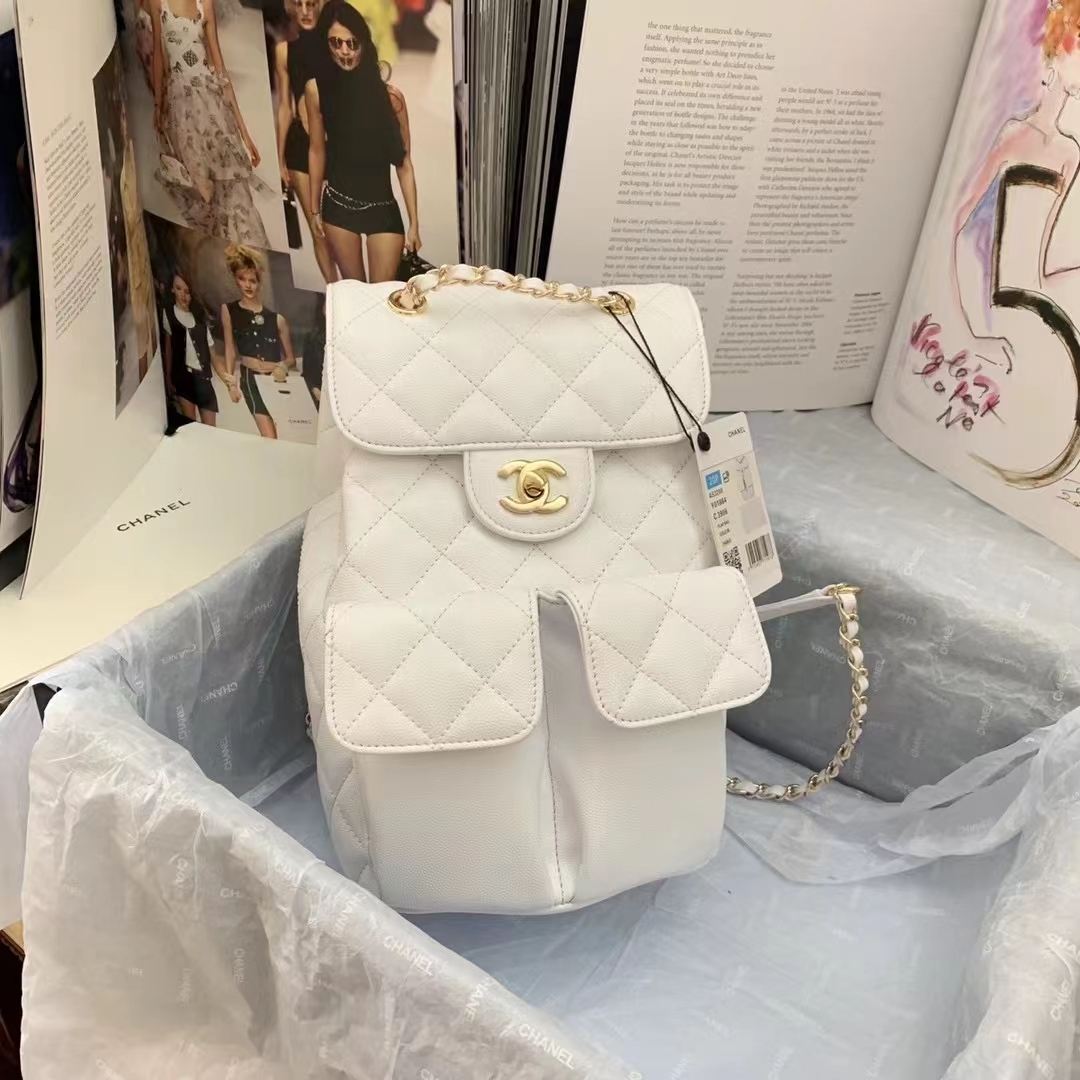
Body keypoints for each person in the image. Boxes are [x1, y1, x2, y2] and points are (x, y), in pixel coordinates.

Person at [948, 0, 1080, 485]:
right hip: (1008, 300)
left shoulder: (1070, 152)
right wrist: (968, 330)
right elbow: (958, 223)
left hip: (1041, 301)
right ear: (1059, 51)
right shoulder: (1015, 134)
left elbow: (1044, 257)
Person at [305, 0, 421, 282]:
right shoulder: (316, 90)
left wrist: (414, 223)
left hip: (382, 208)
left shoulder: (391, 98)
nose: (344, 51)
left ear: (364, 44)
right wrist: (313, 209)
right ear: (326, 44)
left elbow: (404, 164)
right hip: (338, 206)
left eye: (352, 43)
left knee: (382, 297)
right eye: (336, 43)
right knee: (355, 293)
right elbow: (317, 150)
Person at [148, 0, 270, 246]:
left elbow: (221, 72)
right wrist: (158, 105)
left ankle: (235, 250)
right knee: (199, 188)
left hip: (213, 107)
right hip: (181, 111)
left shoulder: (205, 5)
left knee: (229, 189)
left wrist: (244, 135)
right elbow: (158, 57)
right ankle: (214, 249)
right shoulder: (158, 3)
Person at [274, 0, 337, 284]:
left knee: (340, 228)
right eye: (298, 4)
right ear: (290, 8)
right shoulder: (284, 51)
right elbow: (284, 107)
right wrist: (279, 159)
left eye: (311, 4)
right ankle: (334, 291)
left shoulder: (337, 45)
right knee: (317, 228)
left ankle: (351, 289)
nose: (305, 12)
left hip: (335, 144)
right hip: (299, 145)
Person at [221, 244, 296, 439]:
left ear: (259, 282)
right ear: (235, 279)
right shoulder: (229, 310)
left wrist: (283, 367)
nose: (247, 285)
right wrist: (231, 384)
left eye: (252, 281)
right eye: (242, 279)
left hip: (275, 379)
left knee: (285, 435)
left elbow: (291, 359)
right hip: (250, 380)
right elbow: (230, 348)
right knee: (269, 436)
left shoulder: (277, 319)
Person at [163, 272, 219, 425]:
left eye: (187, 291)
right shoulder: (168, 313)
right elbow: (169, 350)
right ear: (172, 289)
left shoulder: (199, 317)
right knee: (191, 426)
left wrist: (227, 380)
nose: (182, 294)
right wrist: (168, 378)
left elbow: (213, 354)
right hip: (183, 378)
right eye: (178, 288)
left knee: (211, 429)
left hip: (203, 379)